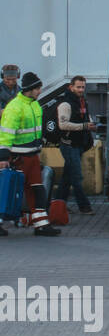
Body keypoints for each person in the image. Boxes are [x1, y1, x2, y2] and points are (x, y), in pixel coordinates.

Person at [0, 72, 60, 237]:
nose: (40, 91)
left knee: (37, 190)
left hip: (32, 156)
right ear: (30, 89)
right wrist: (3, 158)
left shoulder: (34, 105)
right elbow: (6, 133)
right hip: (17, 157)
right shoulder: (15, 107)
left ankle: (40, 224)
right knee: (8, 190)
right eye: (38, 88)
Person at [55, 75, 95, 215]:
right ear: (71, 87)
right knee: (77, 177)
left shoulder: (82, 101)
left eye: (83, 87)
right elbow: (63, 125)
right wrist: (84, 126)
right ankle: (84, 206)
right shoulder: (66, 104)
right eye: (78, 87)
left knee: (68, 176)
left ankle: (58, 204)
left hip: (77, 145)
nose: (81, 89)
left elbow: (84, 118)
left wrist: (89, 124)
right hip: (69, 145)